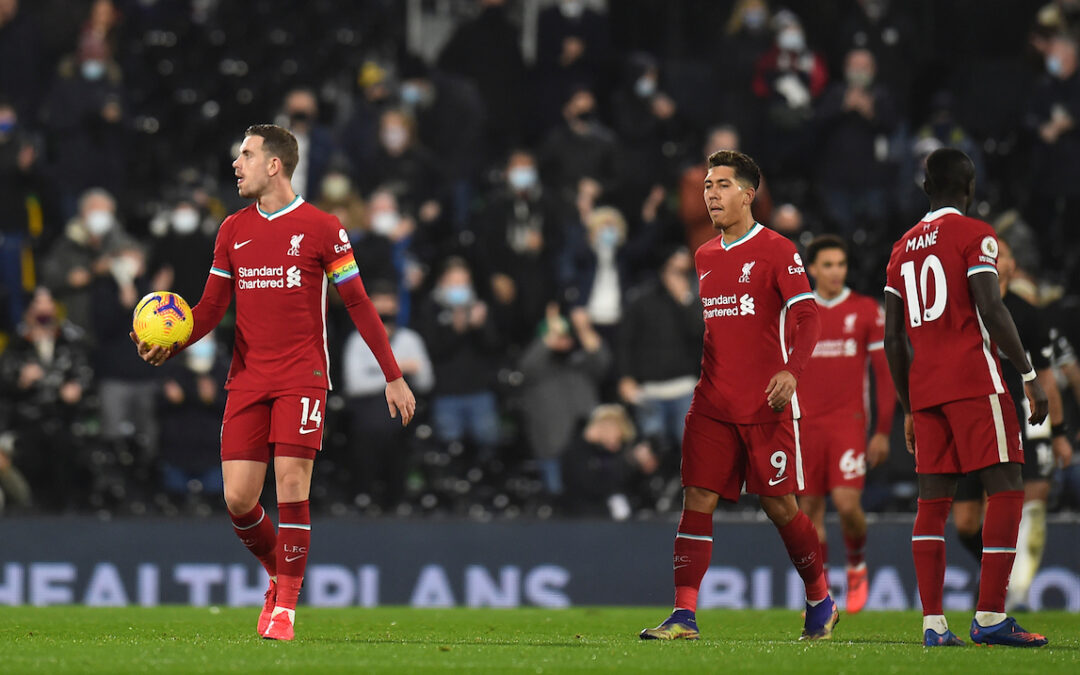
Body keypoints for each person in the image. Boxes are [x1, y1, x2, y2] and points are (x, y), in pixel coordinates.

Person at [132, 124, 415, 641]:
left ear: (274, 165)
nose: (236, 164)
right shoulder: (232, 230)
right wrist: (172, 345)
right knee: (239, 500)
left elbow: (358, 304)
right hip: (246, 378)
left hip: (302, 376)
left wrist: (392, 375)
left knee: (290, 485)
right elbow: (211, 309)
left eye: (246, 154)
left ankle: (284, 606)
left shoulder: (324, 228)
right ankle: (277, 573)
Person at [640, 150, 834, 642]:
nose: (710, 194)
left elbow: (809, 316)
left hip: (763, 403)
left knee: (780, 505)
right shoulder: (703, 256)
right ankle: (684, 615)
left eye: (722, 185)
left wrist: (792, 370)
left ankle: (820, 597)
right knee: (696, 498)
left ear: (748, 195)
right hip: (711, 402)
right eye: (707, 186)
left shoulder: (777, 249)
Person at [883, 148, 1049, 647]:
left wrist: (909, 407)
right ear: (970, 187)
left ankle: (934, 625)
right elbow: (991, 306)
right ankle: (992, 617)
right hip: (974, 381)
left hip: (926, 390)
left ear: (925, 187)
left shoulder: (901, 248)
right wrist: (1028, 373)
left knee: (932, 505)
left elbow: (893, 339)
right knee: (1008, 486)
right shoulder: (977, 235)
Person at [949, 236, 1072, 611]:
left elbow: (1047, 378)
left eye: (1000, 254)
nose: (993, 258)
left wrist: (1059, 433)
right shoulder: (964, 308)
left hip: (1020, 419)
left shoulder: (1028, 313)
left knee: (1013, 509)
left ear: (1011, 266)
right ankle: (997, 576)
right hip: (970, 418)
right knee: (967, 523)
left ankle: (1001, 594)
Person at [796, 234, 895, 615]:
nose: (836, 272)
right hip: (807, 425)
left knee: (847, 503)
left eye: (841, 264)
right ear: (812, 269)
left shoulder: (866, 310)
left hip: (848, 424)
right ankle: (820, 596)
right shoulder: (799, 313)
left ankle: (856, 564)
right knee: (809, 514)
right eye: (828, 265)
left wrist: (883, 430)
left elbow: (883, 376)